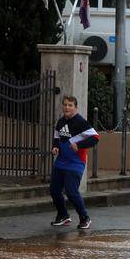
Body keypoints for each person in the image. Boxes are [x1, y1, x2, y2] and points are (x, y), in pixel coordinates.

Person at [49, 94, 98, 229]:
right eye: (65, 105)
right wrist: (55, 147)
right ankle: (63, 215)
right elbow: (57, 138)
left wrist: (79, 145)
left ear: (75, 108)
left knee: (71, 192)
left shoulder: (80, 122)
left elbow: (95, 138)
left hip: (76, 163)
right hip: (61, 162)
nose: (67, 107)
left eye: (70, 105)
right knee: (54, 190)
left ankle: (84, 218)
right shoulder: (60, 122)